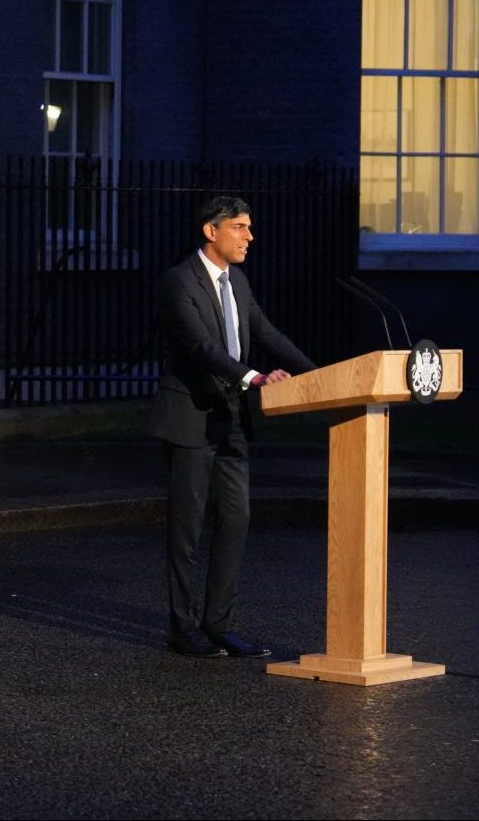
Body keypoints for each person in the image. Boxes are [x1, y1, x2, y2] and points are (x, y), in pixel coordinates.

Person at [148, 195, 317, 659]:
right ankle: (182, 629)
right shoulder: (177, 282)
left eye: (249, 226)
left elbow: (266, 333)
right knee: (186, 529)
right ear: (211, 230)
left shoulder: (237, 282)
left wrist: (318, 376)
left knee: (236, 520)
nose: (250, 236)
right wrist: (254, 377)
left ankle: (218, 623)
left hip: (232, 421)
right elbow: (202, 347)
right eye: (240, 227)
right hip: (190, 420)